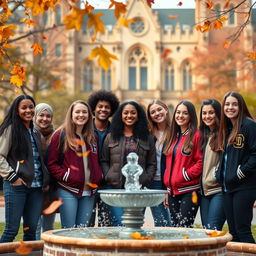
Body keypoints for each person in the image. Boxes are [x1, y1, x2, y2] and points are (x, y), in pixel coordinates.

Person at [0, 95, 49, 242]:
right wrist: (12, 177)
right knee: (11, 230)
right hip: (16, 186)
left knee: (31, 230)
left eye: (31, 107)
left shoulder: (35, 132)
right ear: (17, 110)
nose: (28, 110)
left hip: (36, 188)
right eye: (24, 107)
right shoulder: (11, 129)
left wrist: (45, 180)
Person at [47, 100, 103, 228]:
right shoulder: (60, 134)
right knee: (69, 230)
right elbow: (51, 164)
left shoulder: (93, 136)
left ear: (89, 115)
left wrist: (99, 175)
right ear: (71, 114)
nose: (81, 115)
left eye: (84, 112)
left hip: (89, 192)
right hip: (68, 190)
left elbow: (96, 161)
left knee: (82, 230)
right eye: (77, 112)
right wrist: (67, 176)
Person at [102, 101, 156, 226]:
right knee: (119, 222)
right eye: (125, 113)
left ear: (138, 116)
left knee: (135, 224)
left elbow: (151, 163)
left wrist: (146, 178)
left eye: (133, 113)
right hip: (115, 189)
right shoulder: (111, 137)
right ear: (120, 115)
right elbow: (104, 160)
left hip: (138, 190)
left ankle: (134, 245)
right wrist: (108, 175)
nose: (129, 116)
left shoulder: (147, 137)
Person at [216, 91, 256, 243]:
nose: (230, 107)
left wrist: (242, 171)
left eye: (234, 104)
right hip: (228, 187)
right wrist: (219, 172)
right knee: (233, 232)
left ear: (240, 106)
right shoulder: (226, 128)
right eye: (227, 104)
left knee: (243, 230)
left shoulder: (249, 126)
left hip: (244, 186)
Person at [163, 100, 203, 228]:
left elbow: (201, 161)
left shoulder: (196, 135)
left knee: (184, 227)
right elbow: (168, 164)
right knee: (175, 227)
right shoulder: (173, 136)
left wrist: (185, 175)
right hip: (172, 192)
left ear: (191, 116)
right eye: (178, 112)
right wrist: (167, 190)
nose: (180, 116)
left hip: (190, 191)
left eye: (185, 113)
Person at [88, 90, 119, 226]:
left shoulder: (116, 131)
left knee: (107, 224)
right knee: (86, 223)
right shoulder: (85, 129)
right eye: (100, 106)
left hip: (108, 184)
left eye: (107, 107)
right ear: (94, 109)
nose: (103, 110)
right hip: (88, 183)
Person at [199, 99, 225, 230]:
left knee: (212, 229)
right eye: (204, 113)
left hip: (219, 190)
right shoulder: (203, 135)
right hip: (204, 192)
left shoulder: (224, 134)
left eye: (211, 112)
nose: (207, 116)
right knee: (206, 230)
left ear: (218, 113)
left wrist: (216, 175)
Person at [147, 99, 172, 227]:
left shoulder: (174, 132)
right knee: (133, 221)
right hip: (145, 182)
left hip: (161, 183)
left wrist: (168, 188)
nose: (157, 113)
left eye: (159, 109)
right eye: (153, 112)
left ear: (166, 109)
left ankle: (165, 246)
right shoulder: (148, 133)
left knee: (162, 223)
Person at [34, 103, 56, 239]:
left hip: (51, 187)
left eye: (48, 116)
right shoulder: (29, 133)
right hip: (34, 186)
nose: (44, 118)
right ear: (35, 116)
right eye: (41, 115)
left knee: (48, 227)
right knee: (34, 226)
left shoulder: (56, 135)